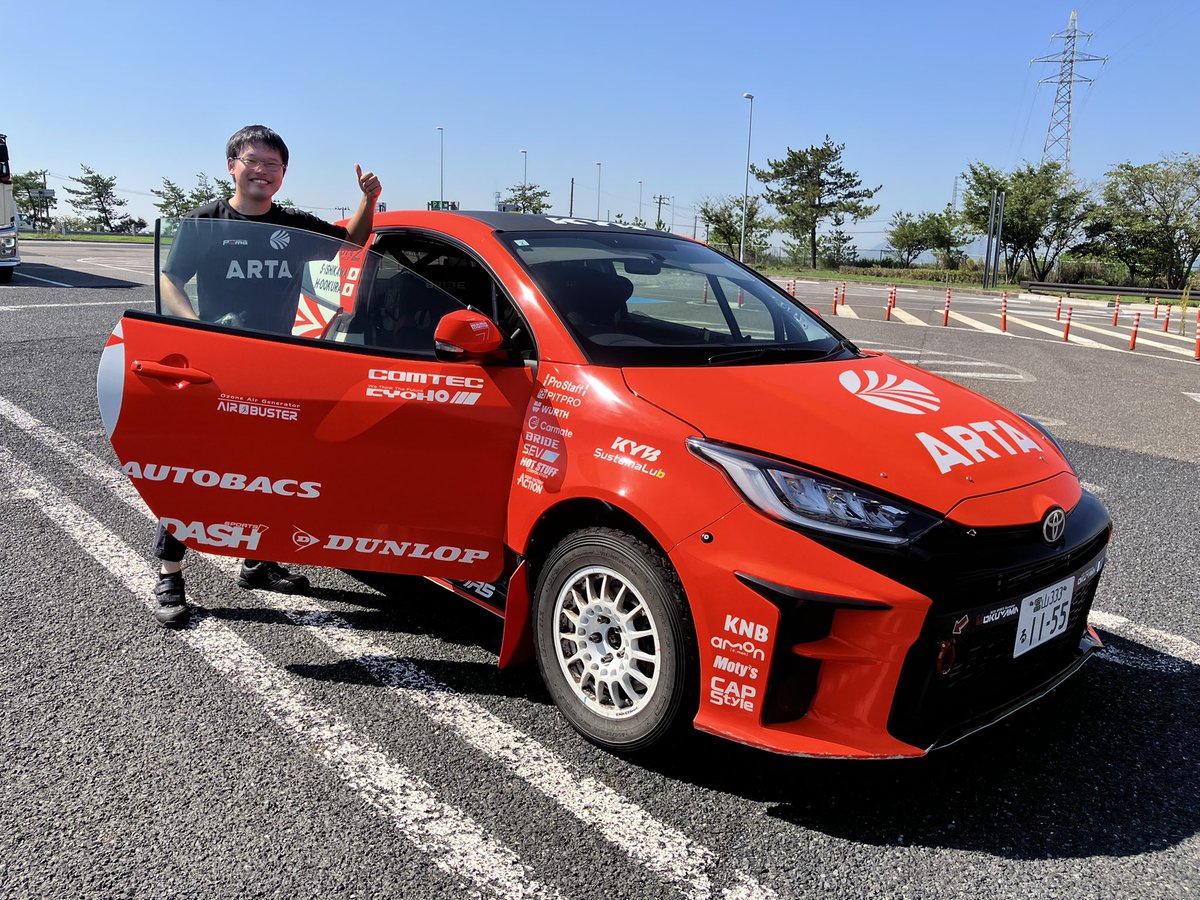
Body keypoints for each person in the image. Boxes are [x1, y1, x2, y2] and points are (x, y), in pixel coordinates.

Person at [152, 124, 382, 626]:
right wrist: (192, 330)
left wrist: (369, 200)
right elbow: (170, 277)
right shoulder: (205, 223)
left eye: (273, 165)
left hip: (278, 368)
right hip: (217, 368)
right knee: (195, 472)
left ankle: (259, 560)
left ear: (283, 174)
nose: (262, 172)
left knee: (270, 473)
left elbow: (351, 243)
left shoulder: (293, 226)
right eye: (252, 161)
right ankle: (170, 574)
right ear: (232, 165)